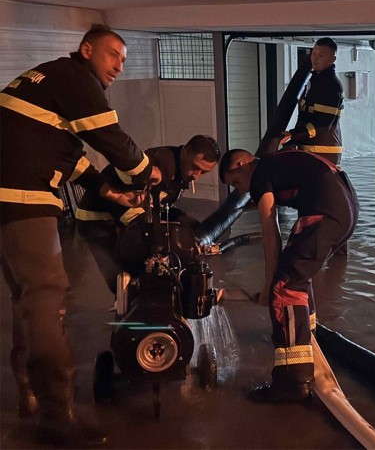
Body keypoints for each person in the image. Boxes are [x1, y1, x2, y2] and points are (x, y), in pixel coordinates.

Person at [0, 24, 157, 447]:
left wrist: (110, 192)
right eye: (113, 55)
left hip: (7, 196)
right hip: (23, 196)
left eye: (123, 60)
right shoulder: (76, 79)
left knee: (26, 297)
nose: (119, 66)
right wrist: (146, 172)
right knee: (48, 296)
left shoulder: (48, 79)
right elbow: (111, 139)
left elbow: (67, 156)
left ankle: (29, 396)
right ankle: (57, 415)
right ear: (87, 50)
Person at [219, 147, 358, 402]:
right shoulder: (276, 164)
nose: (241, 190)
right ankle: (308, 341)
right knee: (298, 276)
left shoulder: (260, 176)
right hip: (347, 210)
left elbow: (270, 234)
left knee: (284, 287)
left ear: (243, 165)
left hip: (326, 212)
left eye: (236, 183)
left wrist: (269, 286)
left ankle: (293, 380)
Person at [75, 134, 221, 291]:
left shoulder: (180, 170)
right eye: (195, 167)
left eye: (203, 172)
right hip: (97, 217)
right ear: (185, 152)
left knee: (143, 271)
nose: (196, 176)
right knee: (122, 279)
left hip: (125, 214)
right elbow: (127, 201)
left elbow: (159, 205)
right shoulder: (161, 164)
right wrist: (154, 227)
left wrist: (182, 218)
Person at [288, 37, 345, 164]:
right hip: (311, 151)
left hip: (323, 153)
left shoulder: (331, 85)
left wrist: (293, 134)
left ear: (332, 59)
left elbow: (322, 124)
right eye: (313, 53)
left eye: (321, 55)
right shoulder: (315, 81)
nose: (315, 58)